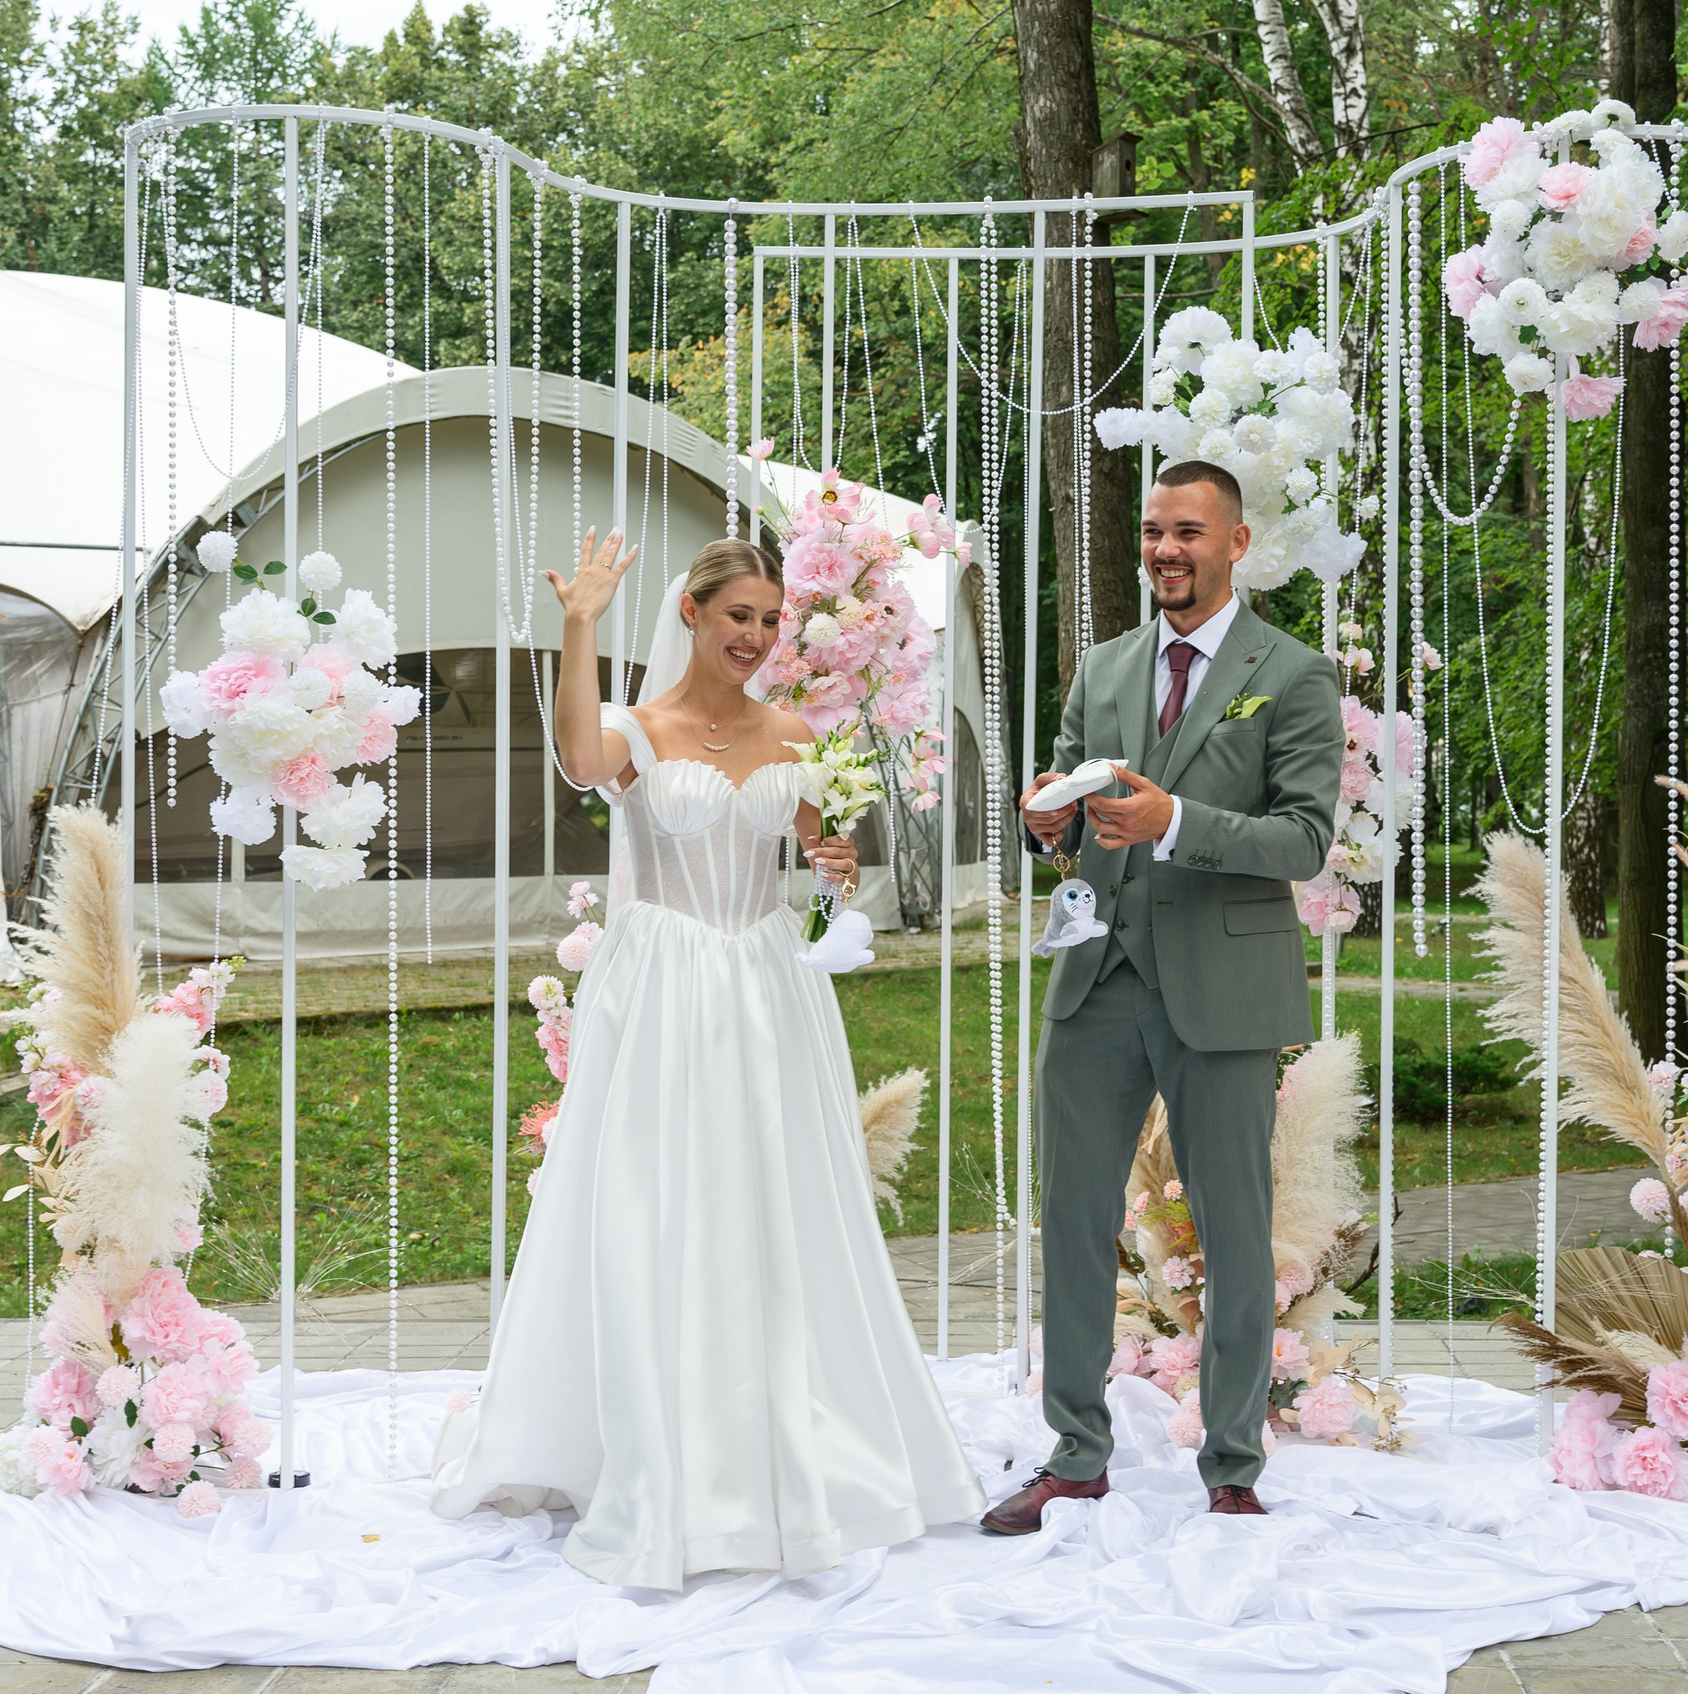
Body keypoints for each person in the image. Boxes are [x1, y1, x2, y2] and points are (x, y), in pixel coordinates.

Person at [428, 533, 985, 1587]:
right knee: (657, 1197)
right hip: (666, 983)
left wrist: (835, 868)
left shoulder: (792, 732)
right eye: (739, 615)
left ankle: (779, 1424)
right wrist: (580, 621)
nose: (757, 636)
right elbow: (577, 760)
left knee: (775, 1197)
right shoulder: (640, 730)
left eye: (772, 620)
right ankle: (656, 1435)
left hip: (768, 983)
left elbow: (823, 866)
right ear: (691, 612)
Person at [985, 460, 1342, 1535]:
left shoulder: (1293, 673)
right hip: (1095, 978)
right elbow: (1064, 808)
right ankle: (1075, 1455)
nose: (1165, 550)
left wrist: (1177, 821)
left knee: (1234, 1230)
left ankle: (1232, 1462)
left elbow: (1304, 838)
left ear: (1235, 542)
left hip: (1223, 989)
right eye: (1152, 531)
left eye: (1187, 531)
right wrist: (1047, 823)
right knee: (1073, 1222)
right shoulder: (1103, 667)